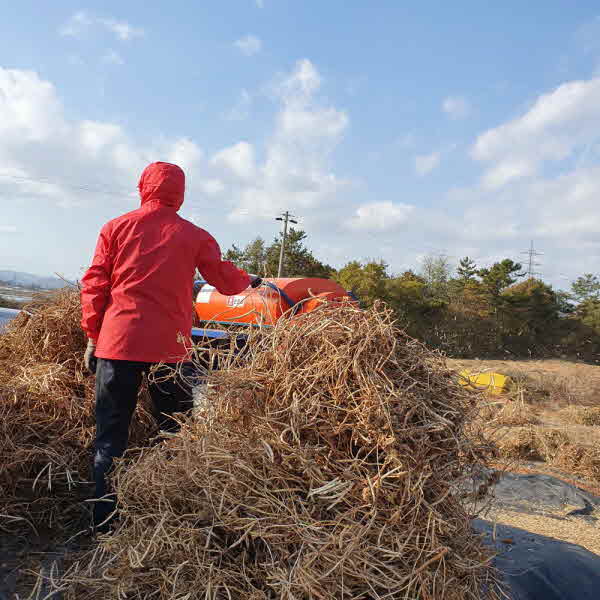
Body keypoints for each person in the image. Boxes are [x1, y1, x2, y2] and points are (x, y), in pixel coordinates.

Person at [80, 161, 260, 531]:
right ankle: (166, 517)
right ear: (180, 194)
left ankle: (103, 523)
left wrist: (93, 336)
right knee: (173, 433)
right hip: (170, 351)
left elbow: (94, 284)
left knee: (110, 437)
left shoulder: (115, 228)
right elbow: (225, 282)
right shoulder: (194, 236)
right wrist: (249, 280)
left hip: (118, 345)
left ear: (142, 187)